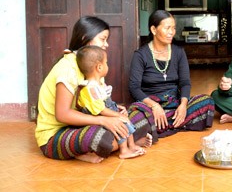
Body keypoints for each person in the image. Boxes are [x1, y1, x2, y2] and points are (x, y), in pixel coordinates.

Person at [35, 16, 152, 163]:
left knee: (139, 113)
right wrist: (104, 120)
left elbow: (96, 103)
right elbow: (62, 115)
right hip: (55, 135)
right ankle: (128, 141)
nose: (106, 44)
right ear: (86, 38)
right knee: (102, 139)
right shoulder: (67, 69)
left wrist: (115, 112)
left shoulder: (93, 65)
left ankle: (126, 140)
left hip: (80, 124)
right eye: (103, 39)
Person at [128, 10, 215, 138]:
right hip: (151, 107)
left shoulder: (179, 52)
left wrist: (183, 105)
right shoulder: (141, 55)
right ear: (154, 29)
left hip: (175, 104)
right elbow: (134, 88)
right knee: (136, 116)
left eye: (173, 28)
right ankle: (175, 123)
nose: (172, 32)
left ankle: (160, 126)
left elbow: (185, 83)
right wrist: (154, 106)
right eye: (167, 28)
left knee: (207, 101)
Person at [76, 45, 146, 159]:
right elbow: (101, 110)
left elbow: (106, 102)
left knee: (127, 120)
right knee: (121, 124)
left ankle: (132, 145)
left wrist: (117, 108)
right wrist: (116, 115)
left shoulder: (98, 83)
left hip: (108, 110)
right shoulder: (90, 89)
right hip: (100, 116)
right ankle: (124, 150)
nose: (107, 65)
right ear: (99, 67)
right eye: (106, 63)